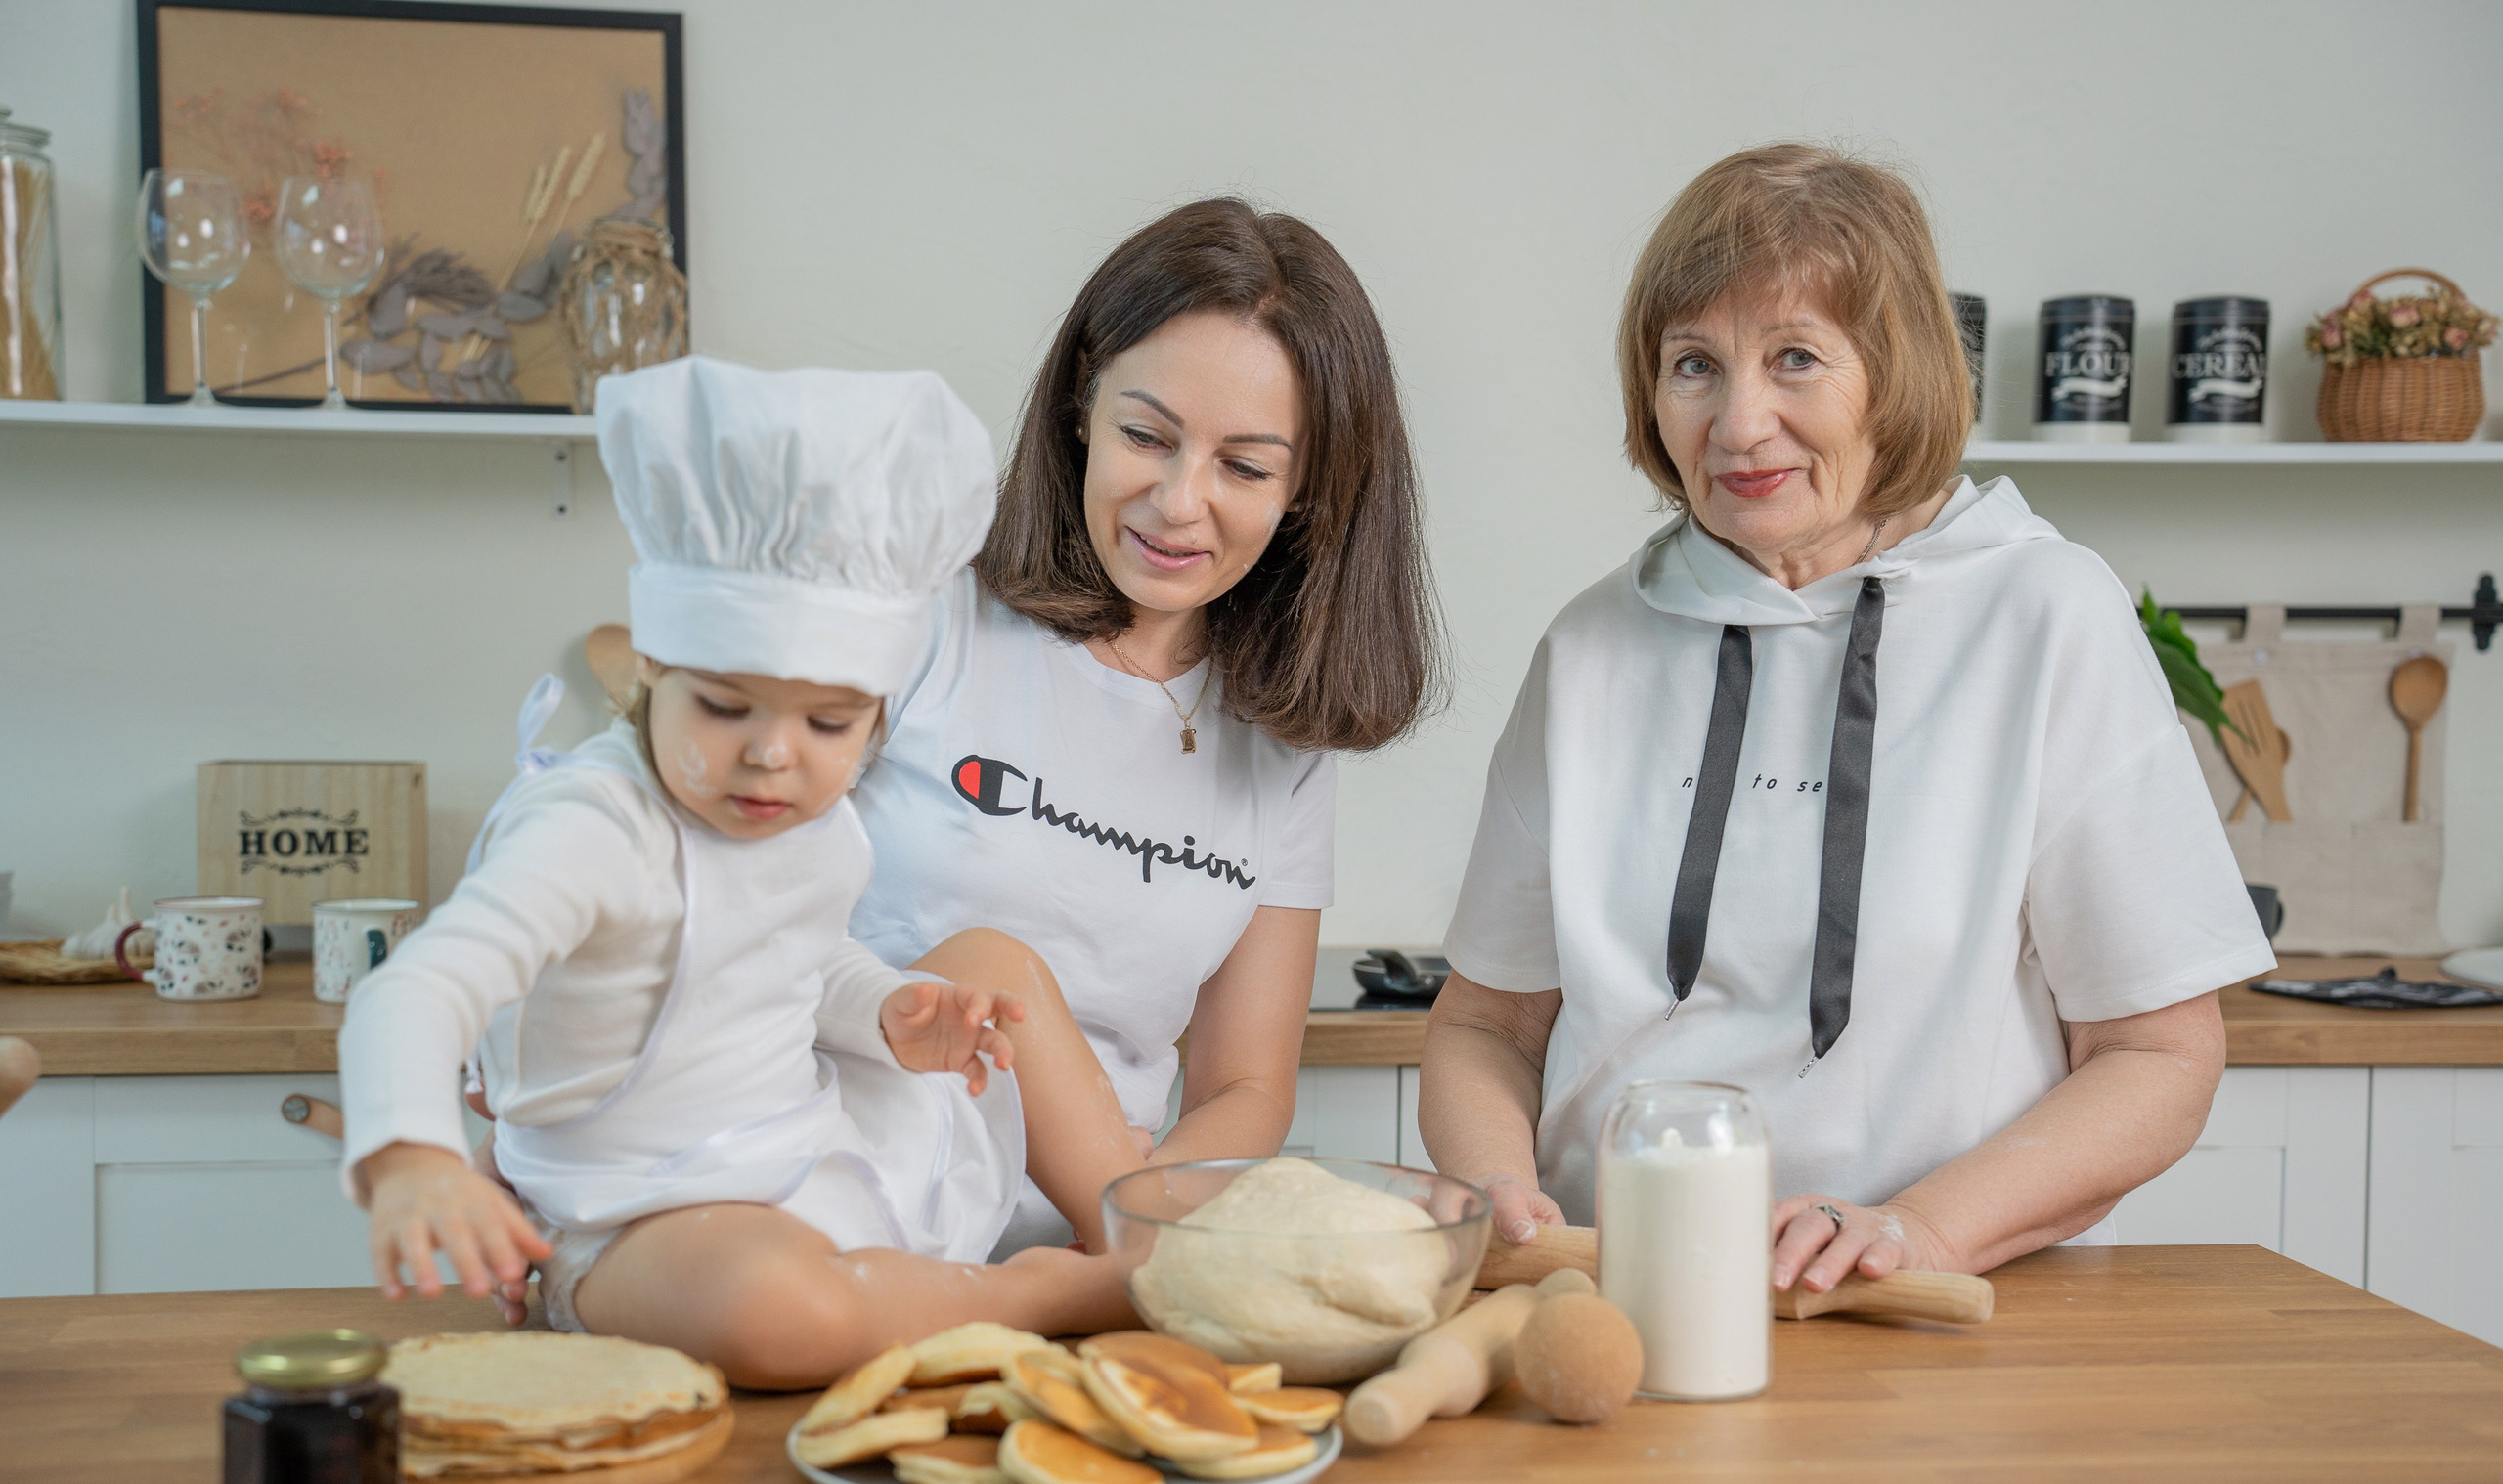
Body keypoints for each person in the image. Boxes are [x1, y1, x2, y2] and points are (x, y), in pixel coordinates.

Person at [1419, 144, 2274, 1296]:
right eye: (1693, 365)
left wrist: (1918, 1228)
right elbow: (1488, 1028)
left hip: (1923, 1309)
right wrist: (1500, 1195)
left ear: (1896, 372)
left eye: (1794, 359)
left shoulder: (2047, 615)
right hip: (1607, 1299)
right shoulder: (1591, 648)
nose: (1738, 421)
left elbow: (2158, 1055)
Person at [339, 360, 1142, 1388]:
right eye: (725, 707)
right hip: (636, 1215)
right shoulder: (592, 825)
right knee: (781, 1310)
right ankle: (1052, 1292)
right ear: (650, 675)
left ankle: (1142, 1225)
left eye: (828, 723)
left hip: (802, 1141)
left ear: (873, 721)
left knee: (996, 961)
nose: (773, 754)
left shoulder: (810, 812)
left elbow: (802, 961)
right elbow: (419, 986)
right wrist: (413, 1156)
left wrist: (889, 1010)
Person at [847, 197, 1443, 1253]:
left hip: (1084, 1253)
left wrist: (1119, 1214)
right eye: (1146, 436)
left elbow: (1245, 1086)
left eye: (1245, 467)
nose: (1178, 502)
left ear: (1307, 490)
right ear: (1082, 401)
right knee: (989, 968)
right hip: (850, 1194)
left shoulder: (1282, 750)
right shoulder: (923, 611)